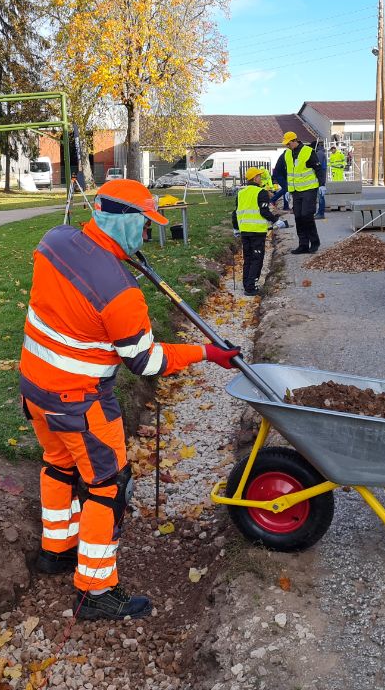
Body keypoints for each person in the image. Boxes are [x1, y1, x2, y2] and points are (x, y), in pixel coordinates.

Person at [20, 179, 241, 620]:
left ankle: (56, 551)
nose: (146, 234)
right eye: (143, 224)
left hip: (34, 389)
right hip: (80, 403)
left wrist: (111, 255)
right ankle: (95, 591)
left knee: (58, 466)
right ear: (121, 219)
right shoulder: (122, 295)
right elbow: (146, 362)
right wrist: (206, 353)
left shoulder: (54, 241)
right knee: (107, 486)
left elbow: (83, 266)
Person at [271, 131, 324, 254]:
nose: (287, 146)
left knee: (306, 215)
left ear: (295, 140)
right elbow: (279, 172)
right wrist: (286, 188)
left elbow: (318, 169)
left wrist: (322, 185)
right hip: (296, 191)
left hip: (309, 189)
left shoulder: (308, 151)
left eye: (288, 143)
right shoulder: (286, 154)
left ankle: (314, 242)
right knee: (298, 217)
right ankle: (303, 245)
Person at [233, 168, 280, 296]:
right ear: (255, 178)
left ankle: (246, 284)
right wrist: (275, 220)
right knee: (257, 259)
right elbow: (264, 212)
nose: (261, 178)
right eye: (259, 176)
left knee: (248, 258)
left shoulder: (241, 193)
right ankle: (251, 287)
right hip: (257, 232)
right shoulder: (261, 192)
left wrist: (236, 227)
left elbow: (236, 212)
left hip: (245, 232)